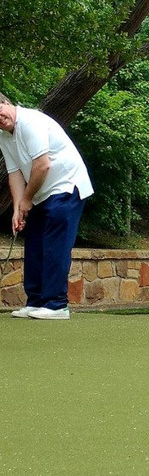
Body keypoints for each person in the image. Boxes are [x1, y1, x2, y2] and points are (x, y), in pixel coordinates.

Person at [0, 93, 94, 320]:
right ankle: (36, 301)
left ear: (6, 103)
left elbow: (42, 166)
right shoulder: (3, 135)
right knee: (34, 243)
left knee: (54, 245)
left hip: (67, 186)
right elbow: (14, 173)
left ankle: (56, 304)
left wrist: (27, 199)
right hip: (42, 192)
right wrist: (17, 209)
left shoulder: (31, 122)